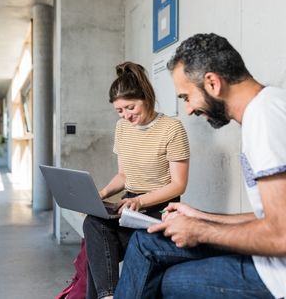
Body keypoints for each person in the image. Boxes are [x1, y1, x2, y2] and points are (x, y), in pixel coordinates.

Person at [114, 33, 286, 299]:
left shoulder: (266, 118)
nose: (189, 109)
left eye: (186, 97)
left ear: (213, 83)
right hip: (270, 258)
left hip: (277, 276)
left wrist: (201, 230)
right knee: (144, 242)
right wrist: (201, 217)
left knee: (167, 281)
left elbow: (281, 235)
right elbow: (272, 218)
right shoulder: (265, 109)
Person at [83, 61, 190, 299]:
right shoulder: (122, 128)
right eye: (120, 111)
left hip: (159, 209)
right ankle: (109, 296)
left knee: (97, 252)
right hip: (128, 206)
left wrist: (141, 201)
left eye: (130, 107)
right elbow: (124, 176)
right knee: (93, 224)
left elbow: (178, 184)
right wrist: (100, 195)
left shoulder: (172, 128)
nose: (126, 116)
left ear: (146, 97)